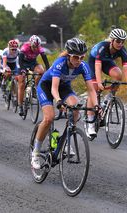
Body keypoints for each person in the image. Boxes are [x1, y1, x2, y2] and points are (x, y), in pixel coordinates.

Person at [31, 38, 98, 169]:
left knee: (75, 109)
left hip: (64, 88)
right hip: (47, 86)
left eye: (81, 57)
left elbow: (91, 89)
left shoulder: (83, 66)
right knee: (49, 118)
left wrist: (96, 106)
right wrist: (59, 101)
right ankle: (36, 152)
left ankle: (64, 141)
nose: (78, 60)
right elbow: (54, 89)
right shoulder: (59, 63)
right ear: (68, 55)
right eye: (75, 57)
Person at [85, 28, 127, 136]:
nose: (120, 44)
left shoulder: (122, 50)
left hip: (107, 62)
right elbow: (97, 67)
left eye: (123, 41)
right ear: (112, 40)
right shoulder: (102, 47)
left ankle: (109, 98)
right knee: (93, 89)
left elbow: (126, 67)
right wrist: (98, 83)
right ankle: (90, 123)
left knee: (118, 75)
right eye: (118, 41)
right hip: (94, 62)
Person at [17, 35, 50, 116]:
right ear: (30, 44)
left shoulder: (39, 48)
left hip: (33, 63)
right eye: (34, 47)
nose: (35, 49)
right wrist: (22, 70)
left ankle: (35, 87)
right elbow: (20, 60)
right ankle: (20, 105)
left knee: (41, 72)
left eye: (37, 47)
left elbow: (45, 59)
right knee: (21, 84)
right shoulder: (25, 48)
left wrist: (48, 69)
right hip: (23, 63)